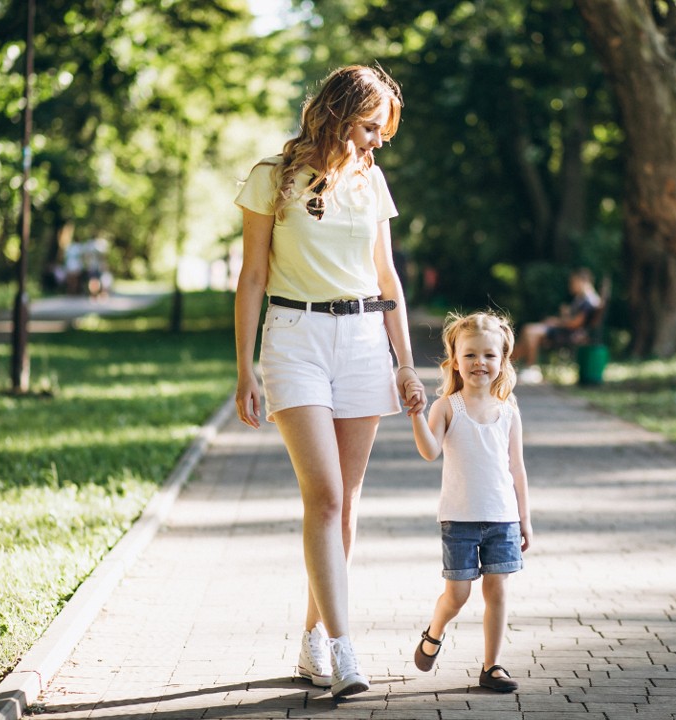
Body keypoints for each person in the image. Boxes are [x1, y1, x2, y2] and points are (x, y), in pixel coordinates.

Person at [233, 65, 426, 699]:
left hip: (366, 340)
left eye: (383, 132)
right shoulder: (273, 178)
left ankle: (315, 635)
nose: (377, 141)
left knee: (345, 506)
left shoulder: (373, 182)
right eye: (371, 127)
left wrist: (404, 361)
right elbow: (253, 277)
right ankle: (345, 652)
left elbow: (387, 276)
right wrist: (243, 370)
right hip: (295, 340)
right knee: (324, 496)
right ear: (339, 115)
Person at [409, 311, 532, 693]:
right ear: (455, 360)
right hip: (459, 520)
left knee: (497, 590)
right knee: (457, 594)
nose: (480, 363)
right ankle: (434, 631)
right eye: (471, 355)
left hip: (502, 518)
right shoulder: (447, 406)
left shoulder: (508, 410)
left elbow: (517, 468)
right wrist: (416, 415)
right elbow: (430, 452)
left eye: (489, 355)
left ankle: (492, 666)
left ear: (502, 360)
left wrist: (524, 520)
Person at [515, 268, 600, 383]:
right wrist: (561, 317)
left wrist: (557, 321)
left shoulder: (588, 300)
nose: (571, 285)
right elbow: (574, 320)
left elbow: (575, 324)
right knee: (528, 330)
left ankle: (529, 368)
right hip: (566, 331)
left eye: (573, 282)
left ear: (582, 281)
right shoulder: (583, 298)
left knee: (530, 332)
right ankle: (510, 363)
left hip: (570, 334)